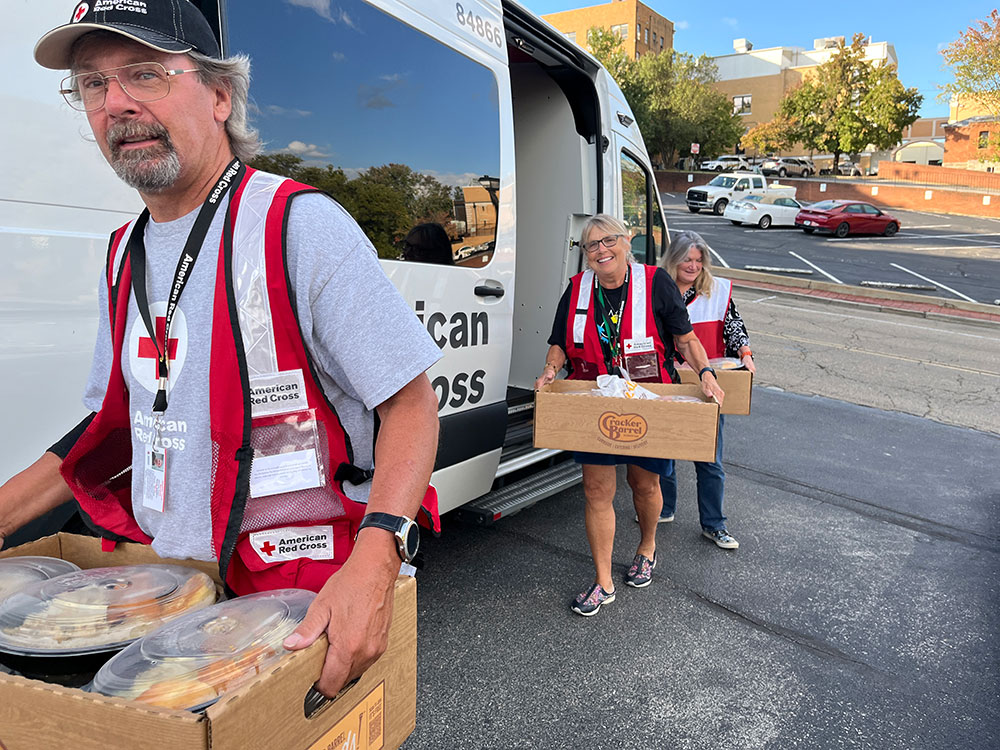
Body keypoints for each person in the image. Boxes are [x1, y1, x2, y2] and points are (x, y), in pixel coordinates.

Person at [0, 0, 442, 697]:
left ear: (218, 94)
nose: (115, 103)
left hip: (304, 594)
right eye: (92, 83)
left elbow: (412, 406)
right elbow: (105, 431)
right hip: (178, 589)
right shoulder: (123, 255)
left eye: (144, 74)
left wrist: (380, 555)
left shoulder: (299, 226)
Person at [535, 215, 724, 616]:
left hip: (648, 397)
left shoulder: (656, 283)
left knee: (644, 485)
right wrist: (550, 370)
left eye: (609, 241)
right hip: (596, 399)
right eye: (592, 246)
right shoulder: (575, 290)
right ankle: (603, 581)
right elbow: (558, 343)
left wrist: (705, 373)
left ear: (627, 242)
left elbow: (685, 339)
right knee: (596, 491)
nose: (602, 251)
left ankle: (647, 545)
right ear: (585, 255)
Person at [659, 231, 756, 550]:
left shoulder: (717, 291)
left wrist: (745, 355)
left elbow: (735, 327)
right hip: (670, 382)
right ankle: (664, 508)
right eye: (687, 258)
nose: (693, 265)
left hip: (707, 385)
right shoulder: (656, 289)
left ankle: (714, 524)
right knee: (665, 452)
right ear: (674, 259)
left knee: (710, 459)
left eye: (699, 260)